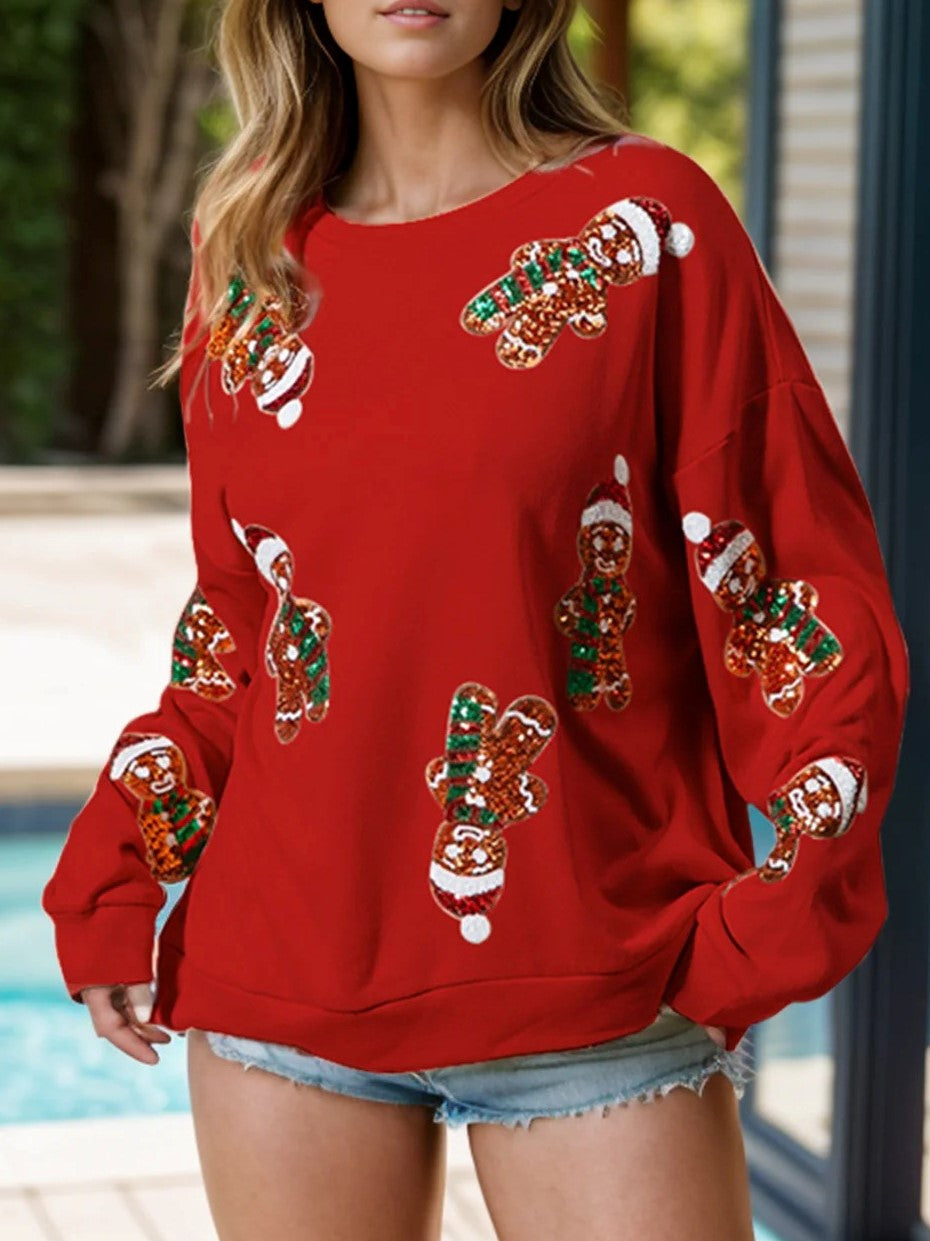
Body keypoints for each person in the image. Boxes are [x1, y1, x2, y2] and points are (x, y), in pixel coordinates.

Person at [42, 1, 910, 1237]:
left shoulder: (646, 224)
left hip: (602, 984)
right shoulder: (247, 251)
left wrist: (767, 922)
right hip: (281, 985)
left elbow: (792, 593)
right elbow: (244, 629)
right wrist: (123, 864)